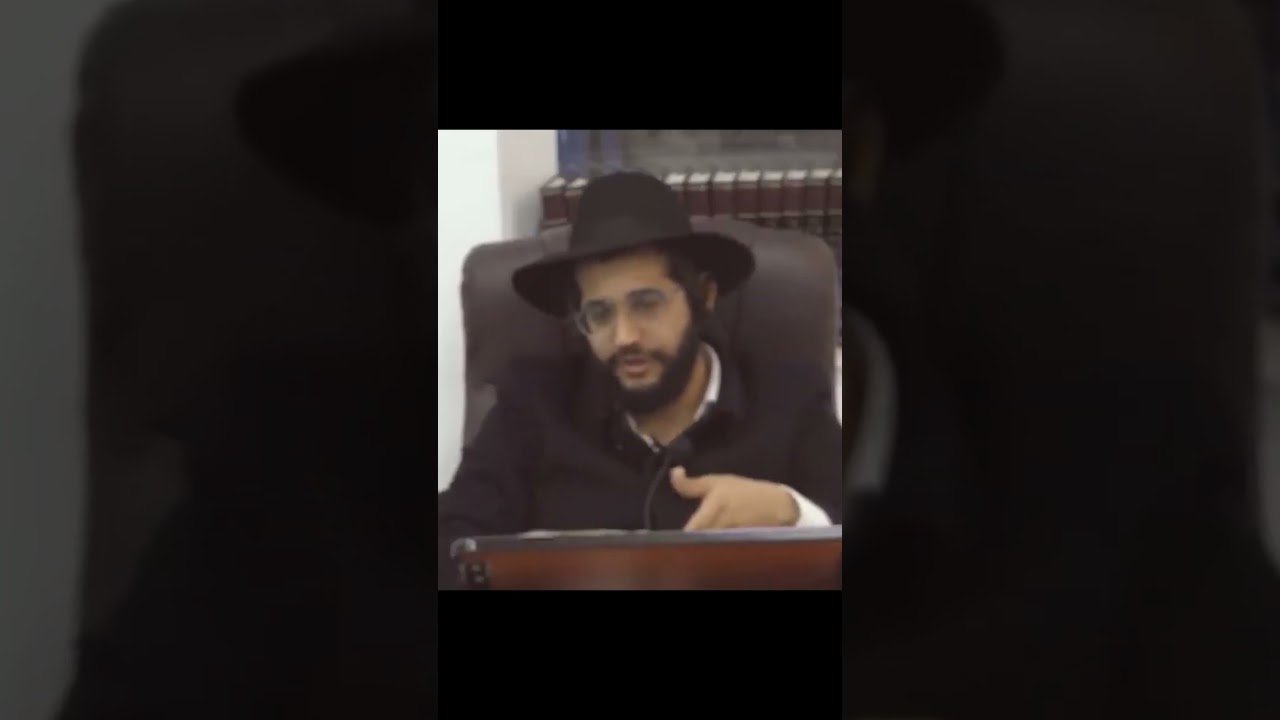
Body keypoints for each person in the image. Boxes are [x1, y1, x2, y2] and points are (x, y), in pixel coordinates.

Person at [437, 171, 842, 589]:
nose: (624, 337)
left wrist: (791, 511)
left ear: (703, 296)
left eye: (646, 304)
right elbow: (449, 541)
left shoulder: (790, 399)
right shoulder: (534, 402)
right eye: (600, 314)